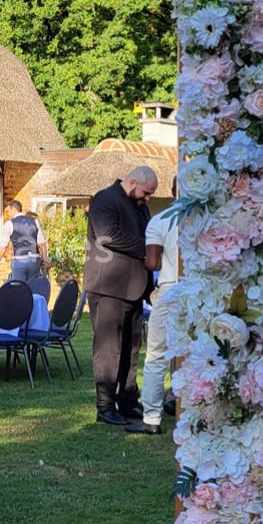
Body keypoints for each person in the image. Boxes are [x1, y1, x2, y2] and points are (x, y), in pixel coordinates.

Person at [84, 166, 156, 426]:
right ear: (132, 182)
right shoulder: (105, 200)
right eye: (146, 193)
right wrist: (147, 250)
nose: (147, 198)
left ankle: (127, 400)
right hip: (108, 287)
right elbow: (108, 237)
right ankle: (105, 406)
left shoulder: (140, 207)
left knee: (131, 348)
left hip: (134, 288)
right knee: (108, 349)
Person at [127, 183, 178, 435]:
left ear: (172, 190)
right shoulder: (210, 220)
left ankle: (152, 418)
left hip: (171, 290)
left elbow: (153, 262)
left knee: (157, 354)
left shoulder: (161, 221)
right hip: (202, 291)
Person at [0, 200, 49, 283]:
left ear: (14, 210)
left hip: (19, 261)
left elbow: (3, 247)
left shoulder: (9, 224)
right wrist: (45, 259)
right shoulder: (35, 222)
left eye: (9, 211)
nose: (8, 214)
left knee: (19, 289)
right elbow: (42, 244)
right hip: (34, 261)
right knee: (33, 288)